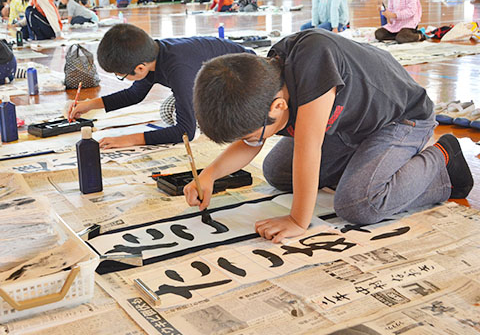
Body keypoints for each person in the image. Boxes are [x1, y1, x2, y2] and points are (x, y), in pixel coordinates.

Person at [185, 29, 473, 242]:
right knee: (277, 172)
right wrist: (210, 174)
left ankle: (443, 161)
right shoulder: (264, 81)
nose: (250, 140)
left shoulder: (314, 60)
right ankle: (364, 163)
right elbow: (254, 143)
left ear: (278, 106)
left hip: (401, 119)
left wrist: (299, 220)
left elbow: (309, 150)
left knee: (358, 204)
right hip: (351, 126)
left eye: (251, 134)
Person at [68, 23, 252, 149]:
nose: (121, 77)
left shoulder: (178, 69)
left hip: (246, 82)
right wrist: (89, 105)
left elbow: (185, 132)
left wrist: (130, 139)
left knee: (194, 120)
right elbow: (134, 95)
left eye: (121, 76)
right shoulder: (152, 55)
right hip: (209, 82)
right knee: (168, 110)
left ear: (139, 68)